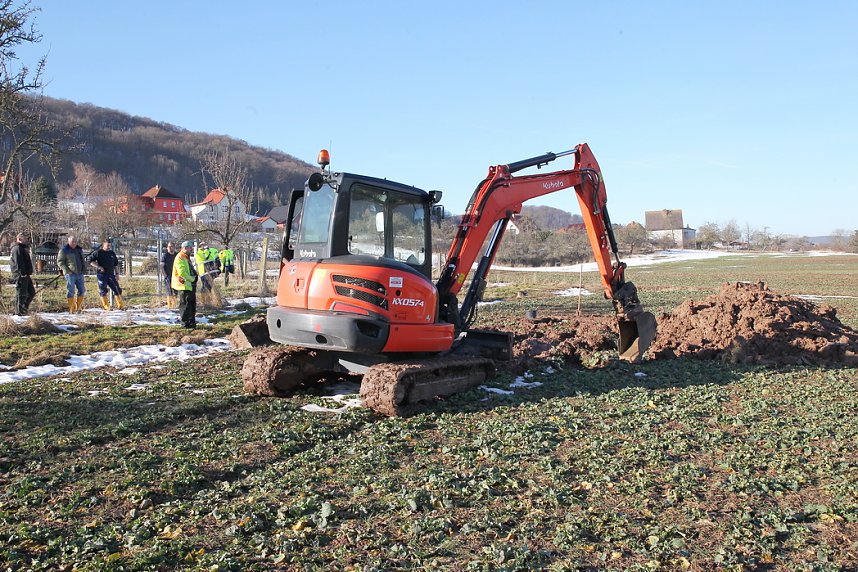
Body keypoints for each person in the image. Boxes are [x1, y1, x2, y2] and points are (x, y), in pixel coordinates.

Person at [88, 240, 125, 310]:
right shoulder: (98, 252)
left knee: (117, 289)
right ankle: (106, 306)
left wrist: (117, 273)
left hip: (111, 274)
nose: (108, 247)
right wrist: (99, 267)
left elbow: (115, 264)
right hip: (102, 275)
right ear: (103, 245)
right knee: (103, 290)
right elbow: (90, 261)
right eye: (107, 246)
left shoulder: (112, 253)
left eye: (109, 246)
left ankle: (120, 305)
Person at [57, 235, 86, 313]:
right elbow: (60, 262)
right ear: (68, 242)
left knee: (82, 291)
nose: (74, 243)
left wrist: (83, 269)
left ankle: (78, 308)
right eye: (72, 241)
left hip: (80, 273)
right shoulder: (64, 250)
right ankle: (71, 308)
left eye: (75, 241)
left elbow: (82, 260)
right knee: (71, 291)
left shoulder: (79, 250)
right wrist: (66, 270)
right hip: (70, 274)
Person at [172, 240, 198, 328]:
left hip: (188, 285)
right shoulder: (180, 257)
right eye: (190, 247)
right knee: (185, 305)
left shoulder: (186, 257)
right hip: (183, 285)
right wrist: (192, 279)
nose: (191, 249)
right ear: (185, 248)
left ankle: (191, 323)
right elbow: (182, 272)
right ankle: (185, 324)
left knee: (191, 305)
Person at [9, 233, 35, 316]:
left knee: (31, 292)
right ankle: (19, 312)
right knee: (21, 294)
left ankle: (23, 309)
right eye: (25, 238)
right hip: (21, 275)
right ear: (19, 239)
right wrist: (21, 273)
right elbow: (18, 263)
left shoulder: (22, 248)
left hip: (26, 274)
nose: (27, 240)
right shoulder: (17, 249)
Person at [160, 241, 178, 308]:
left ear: (174, 247)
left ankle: (175, 304)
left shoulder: (177, 255)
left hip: (176, 276)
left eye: (171, 246)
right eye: (169, 247)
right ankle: (170, 306)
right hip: (168, 276)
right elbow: (161, 266)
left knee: (176, 291)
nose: (170, 248)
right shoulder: (165, 256)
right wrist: (165, 276)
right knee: (169, 291)